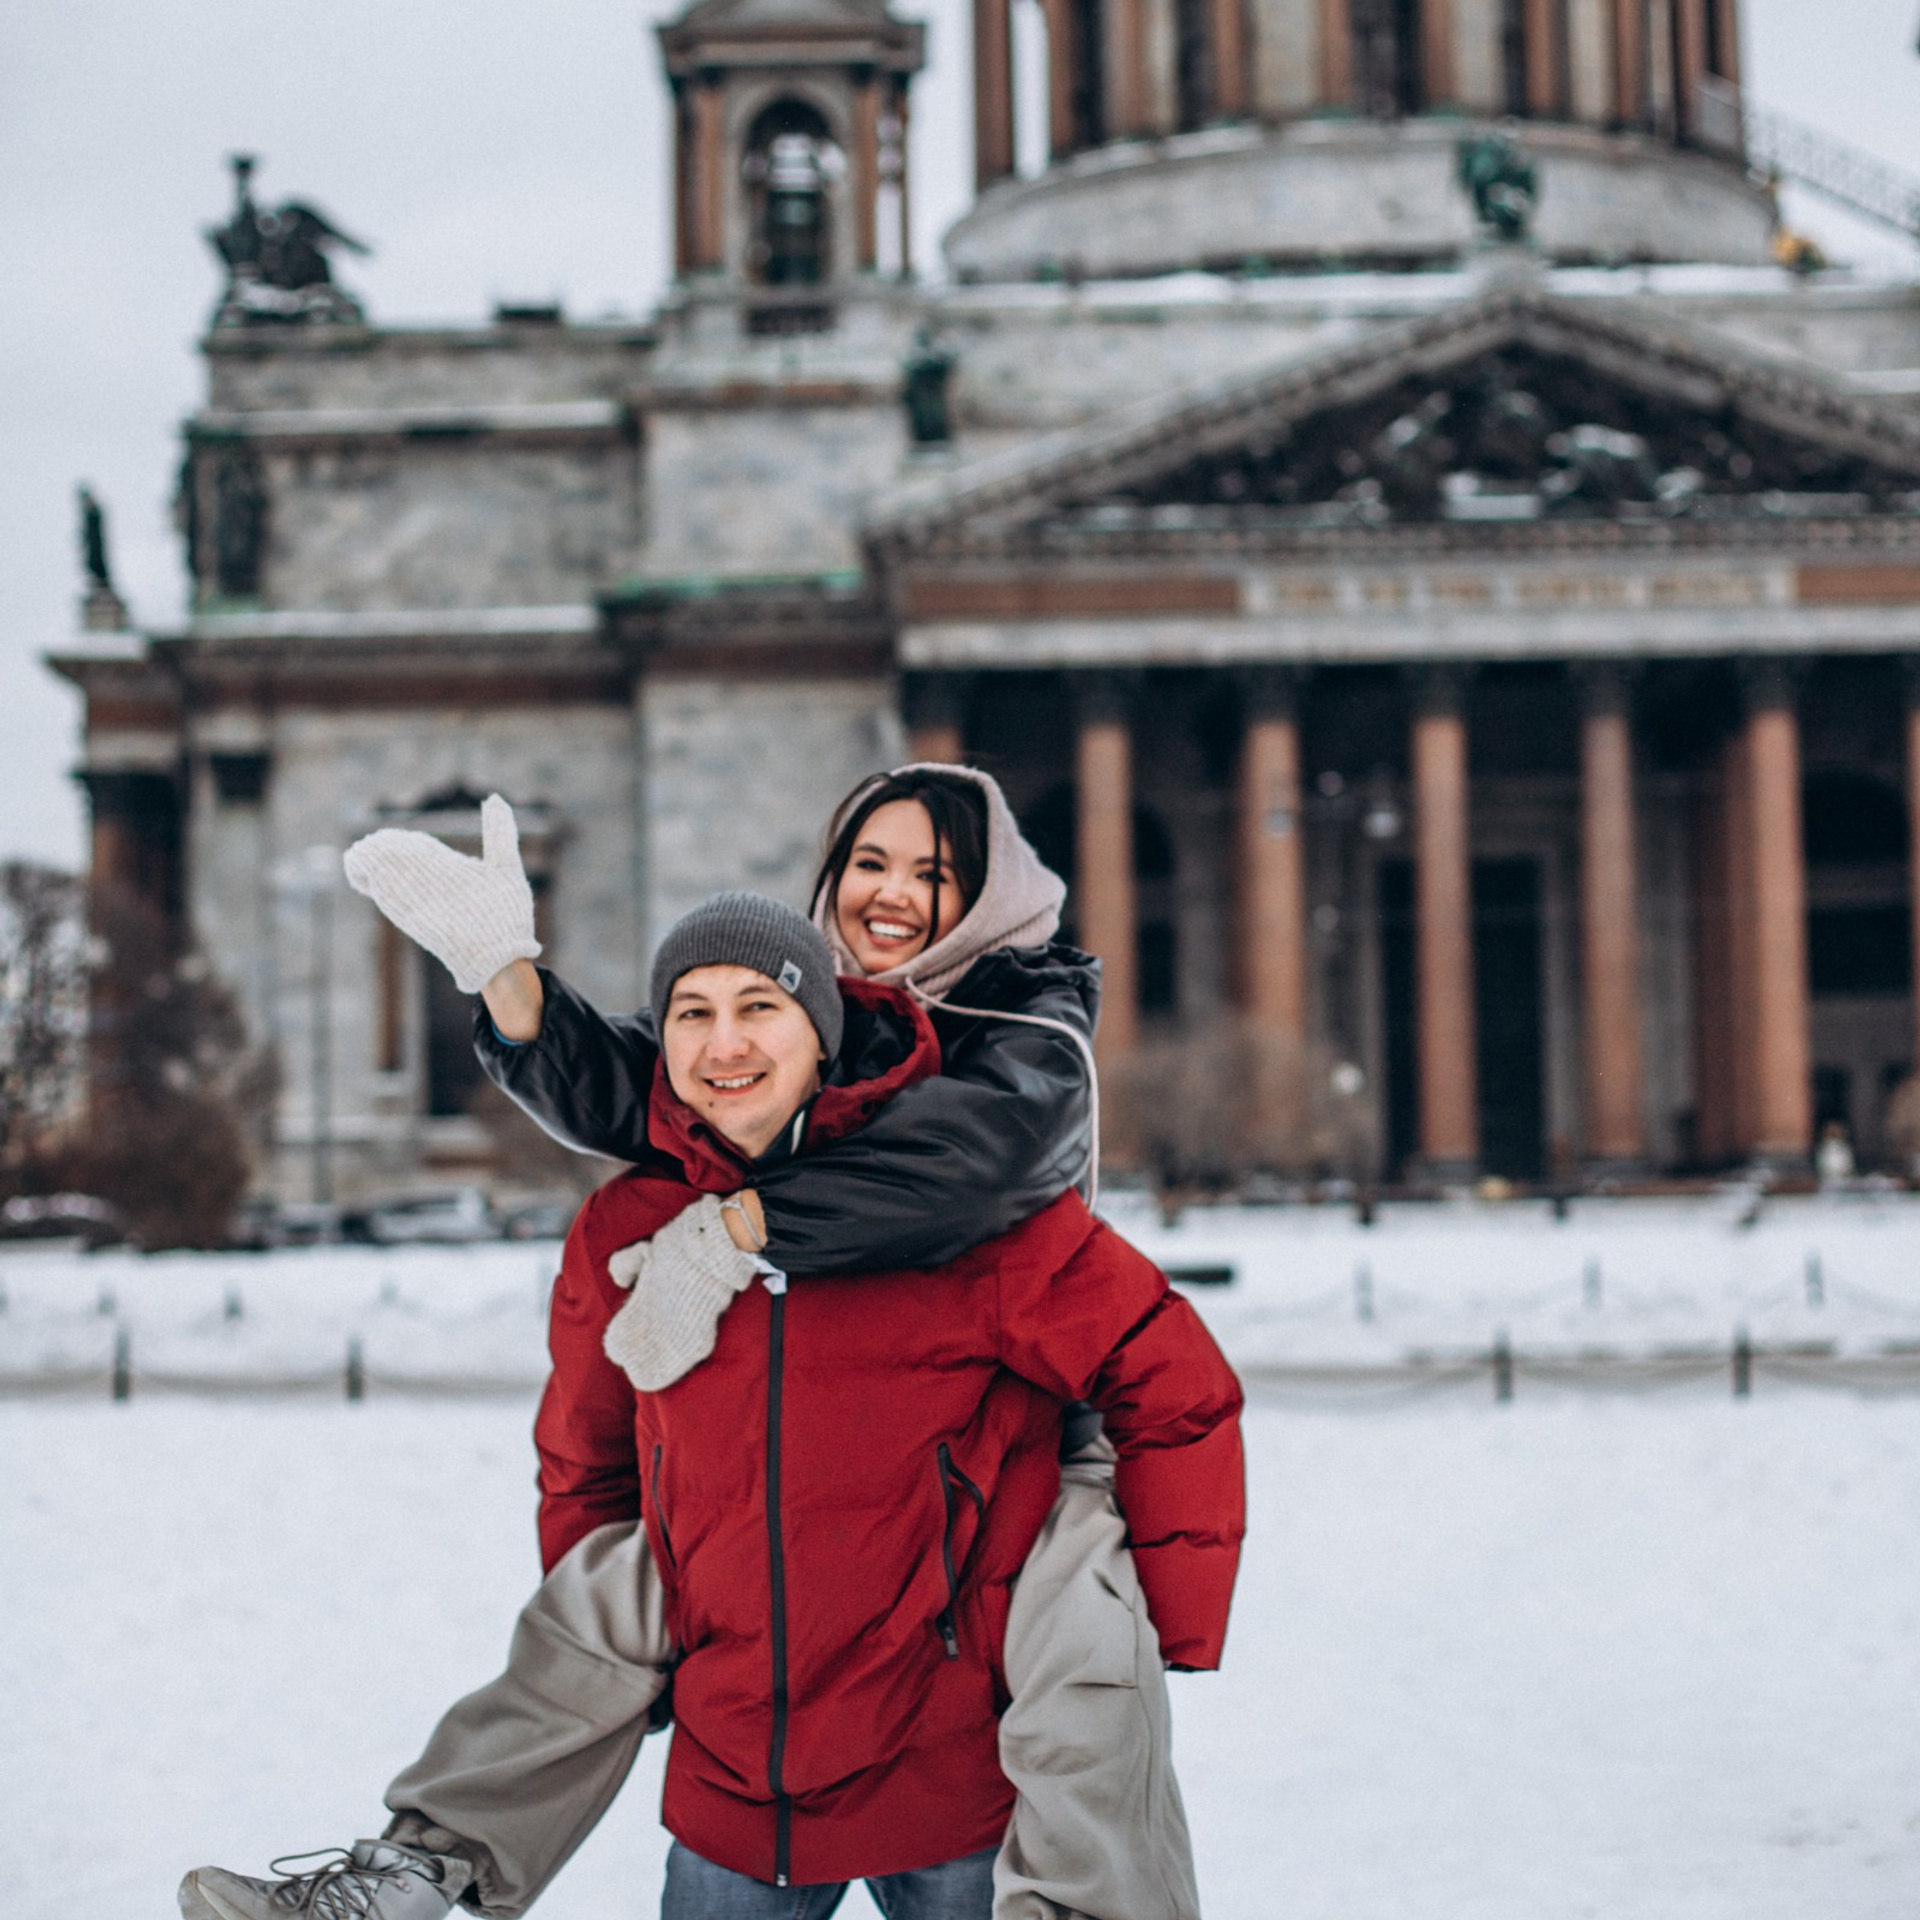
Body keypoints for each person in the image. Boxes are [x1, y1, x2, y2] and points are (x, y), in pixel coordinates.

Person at [179, 769, 1203, 1920]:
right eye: (870, 863)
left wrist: (735, 1228)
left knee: (1084, 1660)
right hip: (753, 1747)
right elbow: (656, 1115)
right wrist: (512, 986)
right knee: (607, 1599)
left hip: (994, 1539)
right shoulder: (657, 1185)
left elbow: (986, 1191)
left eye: (936, 873)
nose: (897, 894)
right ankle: (419, 1866)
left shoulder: (1025, 1036)